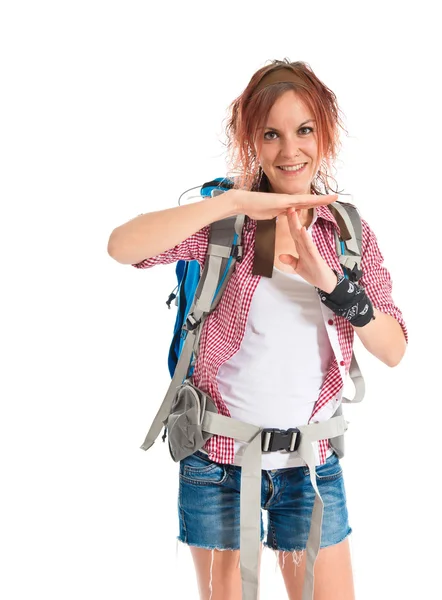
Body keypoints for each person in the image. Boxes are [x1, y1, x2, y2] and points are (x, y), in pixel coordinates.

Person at [108, 59, 408, 600]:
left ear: (326, 133)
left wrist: (334, 285)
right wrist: (233, 201)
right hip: (219, 461)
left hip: (311, 465)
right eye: (270, 133)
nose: (289, 149)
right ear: (250, 139)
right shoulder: (223, 226)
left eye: (304, 130)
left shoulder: (347, 234)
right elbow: (122, 246)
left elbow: (393, 348)